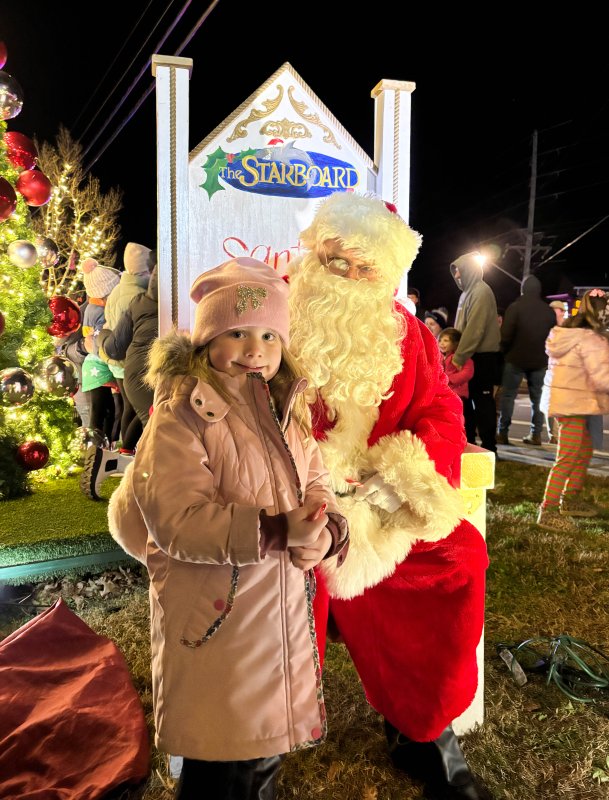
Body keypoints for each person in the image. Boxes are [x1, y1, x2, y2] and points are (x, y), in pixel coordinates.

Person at [107, 256, 349, 800]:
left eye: (269, 334)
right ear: (205, 342)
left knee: (262, 755)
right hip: (218, 622)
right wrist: (277, 529)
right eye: (236, 332)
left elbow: (318, 482)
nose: (254, 348)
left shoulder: (288, 410)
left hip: (276, 618)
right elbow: (177, 520)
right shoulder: (183, 414)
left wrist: (323, 529)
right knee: (222, 764)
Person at [287, 192, 491, 800]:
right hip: (287, 502)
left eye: (365, 267)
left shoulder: (411, 337)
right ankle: (248, 752)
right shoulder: (275, 318)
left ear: (386, 273)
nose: (349, 277)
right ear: (314, 254)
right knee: (265, 590)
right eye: (337, 261)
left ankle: (423, 731)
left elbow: (439, 409)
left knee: (456, 561)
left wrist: (402, 474)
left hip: (379, 498)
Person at [83, 260, 159, 500]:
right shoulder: (139, 297)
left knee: (146, 422)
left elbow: (114, 346)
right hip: (143, 370)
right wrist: (103, 337)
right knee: (158, 431)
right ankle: (119, 462)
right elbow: (114, 347)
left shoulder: (138, 299)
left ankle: (113, 459)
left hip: (135, 369)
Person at [537, 288, 609, 531]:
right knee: (567, 457)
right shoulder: (590, 339)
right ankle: (548, 510)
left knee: (583, 450)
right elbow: (603, 377)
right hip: (572, 404)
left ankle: (570, 499)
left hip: (567, 400)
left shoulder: (566, 332)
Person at [100, 241, 153, 451]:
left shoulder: (121, 290)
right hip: (127, 360)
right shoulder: (133, 295)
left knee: (129, 407)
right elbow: (129, 333)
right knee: (134, 409)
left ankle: (126, 448)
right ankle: (127, 449)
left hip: (120, 359)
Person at [450, 252, 502, 454]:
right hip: (468, 355)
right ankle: (469, 444)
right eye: (454, 272)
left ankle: (490, 448)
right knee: (465, 402)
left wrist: (458, 357)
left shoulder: (481, 291)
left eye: (459, 271)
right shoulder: (466, 293)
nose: (457, 276)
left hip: (482, 357)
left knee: (483, 403)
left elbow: (475, 329)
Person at [495, 275, 556, 446]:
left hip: (515, 358)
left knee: (508, 396)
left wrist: (503, 352)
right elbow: (553, 337)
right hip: (540, 360)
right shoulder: (548, 312)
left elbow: (505, 335)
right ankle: (535, 434)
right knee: (537, 399)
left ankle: (502, 433)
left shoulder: (515, 308)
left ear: (523, 289)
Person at [79, 257, 121, 450]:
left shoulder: (90, 308)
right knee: (102, 408)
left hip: (94, 362)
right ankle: (97, 447)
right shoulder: (101, 311)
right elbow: (97, 340)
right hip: (99, 364)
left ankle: (101, 446)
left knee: (104, 408)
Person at [547, 300, 569, 443]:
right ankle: (554, 436)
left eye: (555, 310)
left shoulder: (568, 329)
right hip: (550, 370)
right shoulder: (548, 327)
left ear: (562, 311)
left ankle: (561, 436)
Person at [439, 327, 474, 414]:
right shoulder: (441, 357)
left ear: (455, 343)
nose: (441, 343)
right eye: (440, 340)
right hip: (444, 392)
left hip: (457, 393)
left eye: (446, 341)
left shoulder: (460, 358)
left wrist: (449, 379)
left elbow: (467, 372)